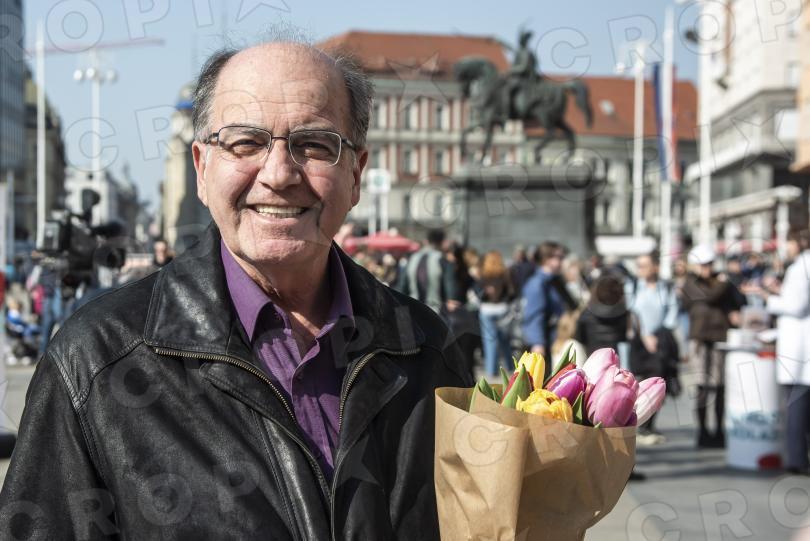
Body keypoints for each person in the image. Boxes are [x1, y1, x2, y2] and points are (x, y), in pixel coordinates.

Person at [0, 40, 471, 538]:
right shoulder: (96, 359)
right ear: (202, 169)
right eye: (245, 142)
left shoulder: (425, 349)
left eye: (314, 144)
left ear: (355, 174)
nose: (279, 174)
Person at [757, 230, 810, 475]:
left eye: (788, 241)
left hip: (798, 350)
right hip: (800, 347)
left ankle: (797, 459)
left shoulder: (800, 267)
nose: (785, 247)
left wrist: (769, 298)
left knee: (796, 406)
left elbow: (796, 306)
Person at [682, 244, 745, 448]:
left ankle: (719, 431)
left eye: (709, 264)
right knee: (702, 387)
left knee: (719, 387)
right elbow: (709, 297)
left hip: (719, 338)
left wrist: (729, 284)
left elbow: (739, 300)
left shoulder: (723, 281)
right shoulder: (690, 283)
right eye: (703, 264)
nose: (707, 268)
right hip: (700, 340)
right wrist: (724, 283)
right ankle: (702, 432)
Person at [625, 252, 680, 444]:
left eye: (644, 265)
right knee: (638, 382)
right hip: (638, 342)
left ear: (655, 267)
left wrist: (660, 334)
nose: (640, 270)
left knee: (657, 383)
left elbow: (672, 312)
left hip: (660, 341)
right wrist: (644, 334)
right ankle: (637, 423)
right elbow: (631, 313)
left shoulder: (665, 287)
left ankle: (649, 424)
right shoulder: (632, 286)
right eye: (639, 266)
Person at [521, 242, 565, 366]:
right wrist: (537, 343)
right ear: (546, 259)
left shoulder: (553, 280)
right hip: (544, 342)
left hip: (553, 339)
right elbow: (534, 315)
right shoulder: (537, 284)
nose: (561, 261)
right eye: (558, 257)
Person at [477, 251, 515, 376]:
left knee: (490, 341)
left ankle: (492, 370)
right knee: (505, 340)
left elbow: (478, 292)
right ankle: (510, 366)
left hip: (486, 309)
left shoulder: (483, 275)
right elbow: (511, 292)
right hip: (502, 309)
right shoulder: (504, 274)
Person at [575, 272, 629, 356]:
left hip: (594, 358)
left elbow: (579, 338)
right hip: (615, 358)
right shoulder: (623, 314)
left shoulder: (586, 313)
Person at [405, 228, 455, 314]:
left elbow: (403, 284)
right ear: (442, 242)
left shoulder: (412, 258)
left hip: (413, 308)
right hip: (435, 310)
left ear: (426, 241)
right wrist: (451, 299)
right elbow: (449, 282)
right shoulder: (442, 259)